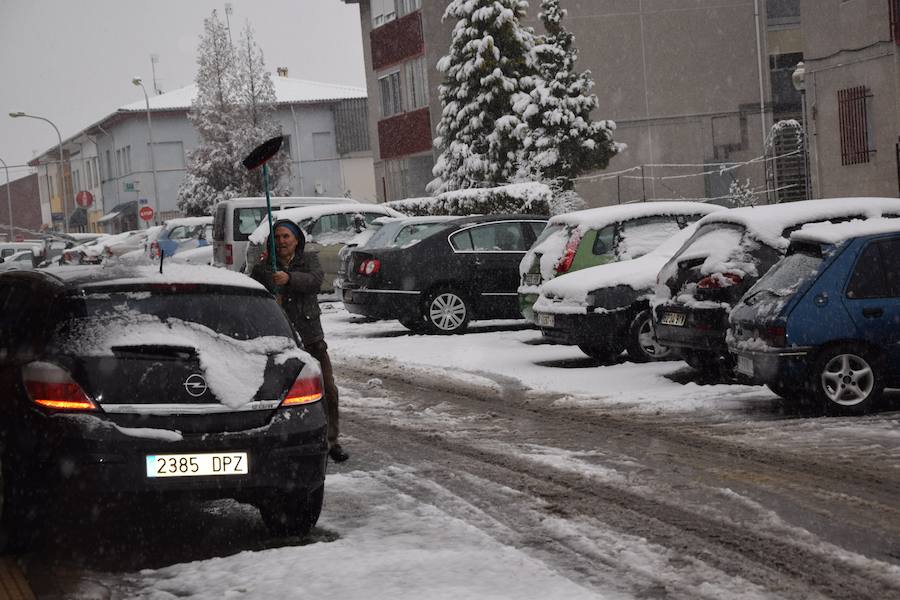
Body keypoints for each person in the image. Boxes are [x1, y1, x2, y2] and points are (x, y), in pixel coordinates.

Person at [251, 219, 349, 463]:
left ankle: (331, 441)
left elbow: (315, 281)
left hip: (311, 338)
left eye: (286, 236)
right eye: (277, 237)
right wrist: (272, 286)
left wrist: (289, 279)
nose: (281, 241)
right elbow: (255, 294)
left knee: (328, 390)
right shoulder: (263, 267)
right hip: (278, 341)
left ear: (296, 240)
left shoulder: (309, 261)